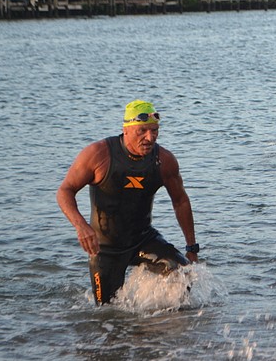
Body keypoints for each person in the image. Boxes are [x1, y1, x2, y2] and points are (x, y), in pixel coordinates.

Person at [57, 99, 199, 305]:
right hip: (105, 248)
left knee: (182, 274)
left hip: (143, 239)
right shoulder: (98, 155)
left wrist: (191, 247)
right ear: (126, 129)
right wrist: (81, 226)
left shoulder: (164, 161)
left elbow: (180, 201)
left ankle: (168, 329)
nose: (150, 138)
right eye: (142, 131)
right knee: (107, 314)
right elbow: (64, 191)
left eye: (154, 131)